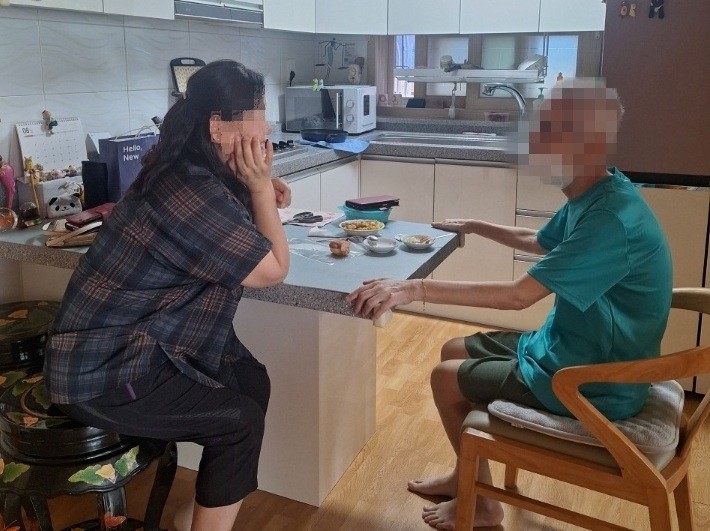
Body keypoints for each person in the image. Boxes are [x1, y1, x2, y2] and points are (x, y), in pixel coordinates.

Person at [346, 78, 672, 530]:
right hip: (568, 345)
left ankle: (483, 506)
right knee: (451, 350)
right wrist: (476, 224)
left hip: (593, 378)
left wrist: (413, 288)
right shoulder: (598, 191)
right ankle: (466, 476)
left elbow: (518, 296)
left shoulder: (610, 219)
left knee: (444, 379)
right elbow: (539, 241)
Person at [43, 60, 291, 531]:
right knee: (238, 422)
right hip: (101, 373)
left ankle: (195, 516)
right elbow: (272, 270)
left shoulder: (186, 167)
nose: (266, 126)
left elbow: (217, 222)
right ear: (218, 126)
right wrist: (260, 188)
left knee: (250, 381)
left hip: (140, 345)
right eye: (259, 113)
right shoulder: (189, 190)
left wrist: (253, 188)